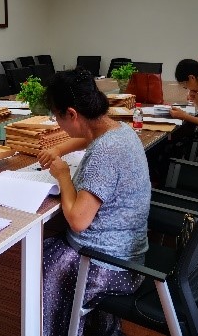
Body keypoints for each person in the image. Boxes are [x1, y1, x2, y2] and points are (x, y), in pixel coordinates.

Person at [38, 68, 151, 336]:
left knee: (34, 262)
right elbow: (88, 137)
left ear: (72, 114)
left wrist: (63, 175)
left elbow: (78, 221)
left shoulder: (105, 153)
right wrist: (58, 148)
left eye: (57, 117)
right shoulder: (119, 130)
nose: (58, 124)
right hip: (127, 249)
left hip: (109, 264)